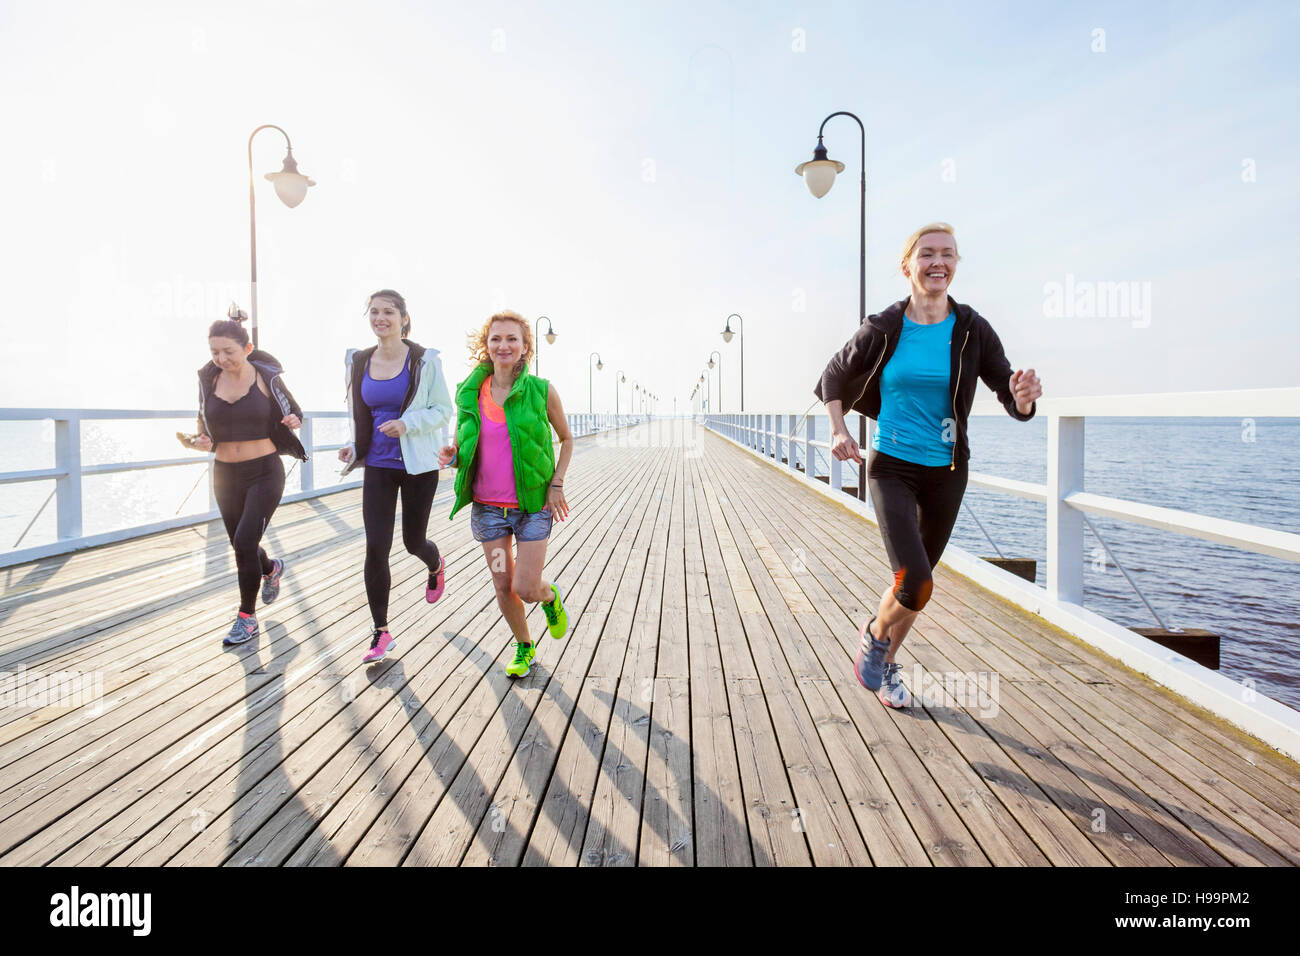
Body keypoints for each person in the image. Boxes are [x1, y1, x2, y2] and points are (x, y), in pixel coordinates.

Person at [815, 222, 1043, 708]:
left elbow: (1008, 391)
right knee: (915, 581)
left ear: (956, 265)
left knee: (917, 586)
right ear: (908, 266)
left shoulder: (971, 329)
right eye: (927, 254)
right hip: (891, 466)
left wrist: (1023, 400)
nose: (938, 261)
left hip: (947, 471)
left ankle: (885, 658)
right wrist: (839, 430)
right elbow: (834, 375)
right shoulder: (884, 327)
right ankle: (876, 638)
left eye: (948, 254)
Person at [438, 310, 573, 679]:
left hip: (532, 508)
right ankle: (524, 645)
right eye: (496, 338)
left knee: (526, 587)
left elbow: (567, 439)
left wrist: (556, 484)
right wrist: (452, 457)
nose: (503, 345)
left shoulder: (542, 391)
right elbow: (462, 447)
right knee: (502, 584)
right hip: (488, 511)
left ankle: (549, 597)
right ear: (486, 345)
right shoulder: (470, 393)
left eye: (512, 338)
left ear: (526, 347)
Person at [339, 289, 455, 664]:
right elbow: (361, 413)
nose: (380, 318)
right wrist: (354, 447)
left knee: (413, 541)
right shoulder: (358, 361)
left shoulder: (424, 361)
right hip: (378, 466)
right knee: (376, 547)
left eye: (388, 312)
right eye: (374, 312)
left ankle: (434, 564)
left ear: (404, 318)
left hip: (418, 464)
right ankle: (381, 631)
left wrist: (407, 423)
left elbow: (442, 410)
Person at [183, 309, 307, 645]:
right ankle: (270, 568)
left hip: (264, 471)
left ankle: (246, 618)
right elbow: (202, 424)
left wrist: (294, 420)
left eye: (228, 352)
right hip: (225, 474)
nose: (221, 359)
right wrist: (200, 440)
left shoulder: (268, 378)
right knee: (242, 543)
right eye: (214, 352)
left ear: (247, 349)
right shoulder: (208, 380)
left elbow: (295, 410)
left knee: (243, 543)